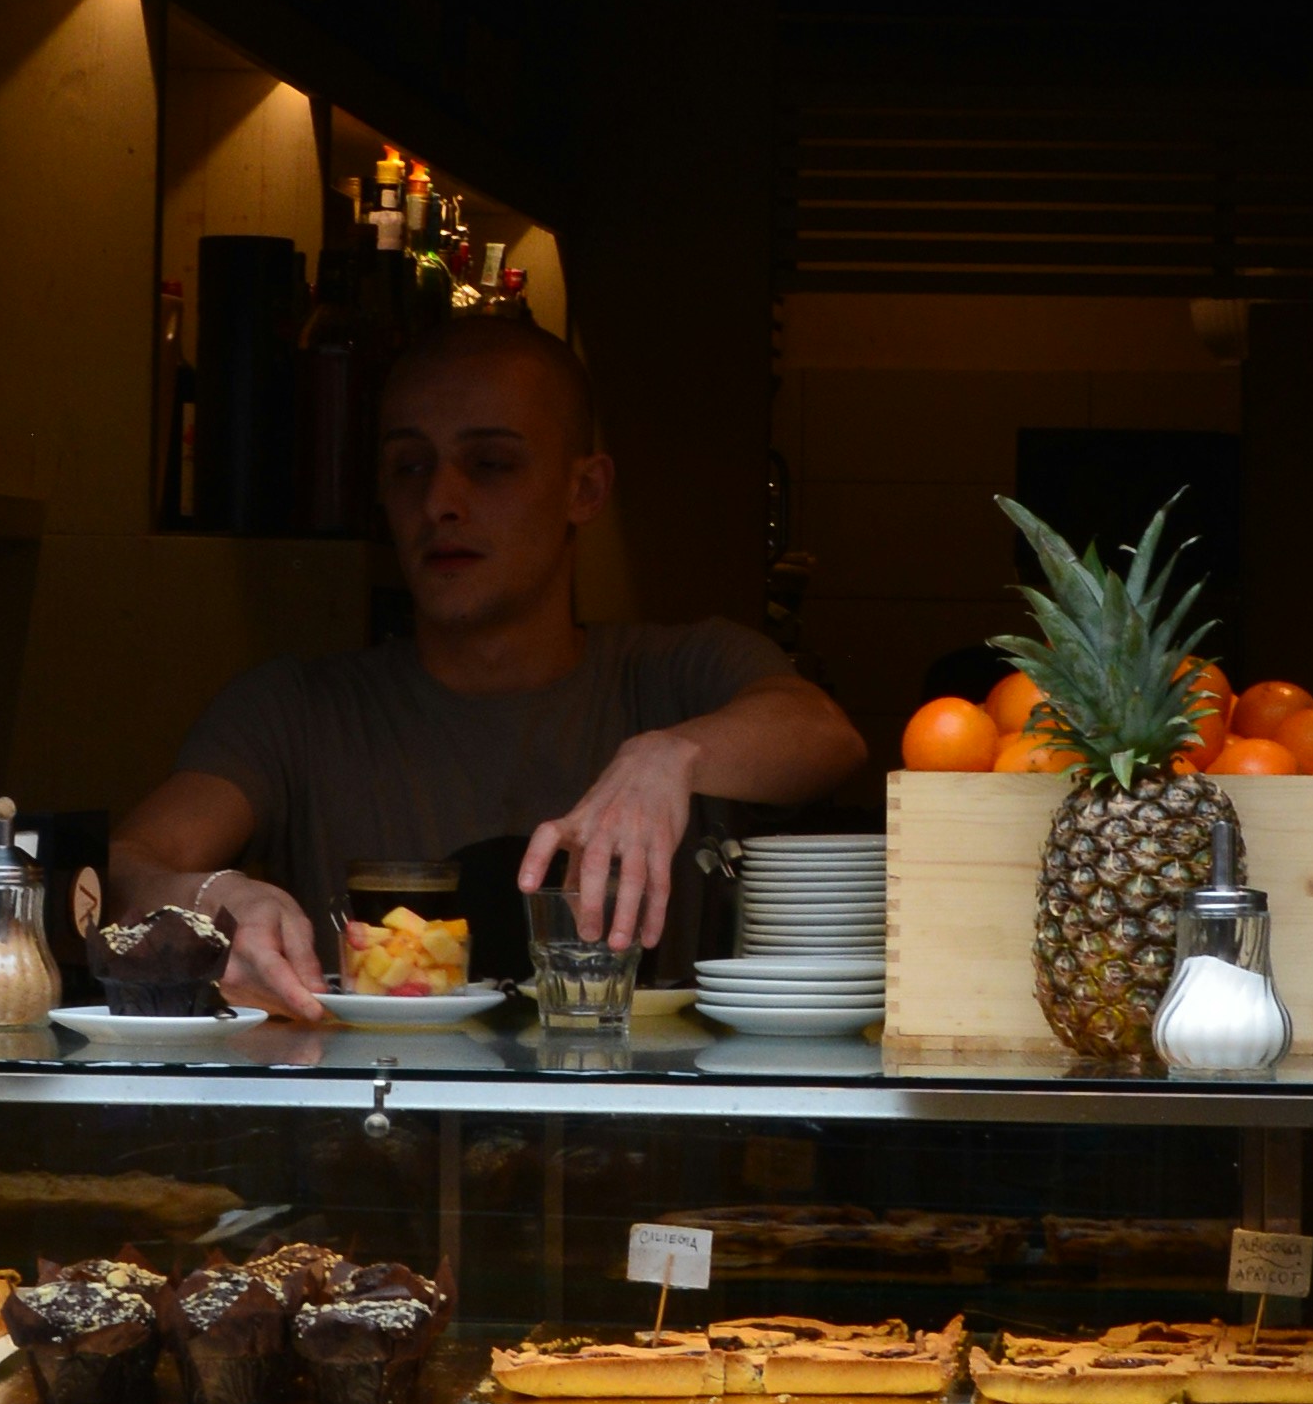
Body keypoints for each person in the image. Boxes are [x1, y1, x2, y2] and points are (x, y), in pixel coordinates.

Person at [110, 309, 865, 1019]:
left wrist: (672, 755)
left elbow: (826, 735)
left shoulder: (676, 671)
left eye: (492, 464)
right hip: (375, 1136)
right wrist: (206, 895)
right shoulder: (297, 708)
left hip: (639, 1137)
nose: (441, 499)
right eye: (410, 466)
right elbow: (127, 862)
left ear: (585, 488)